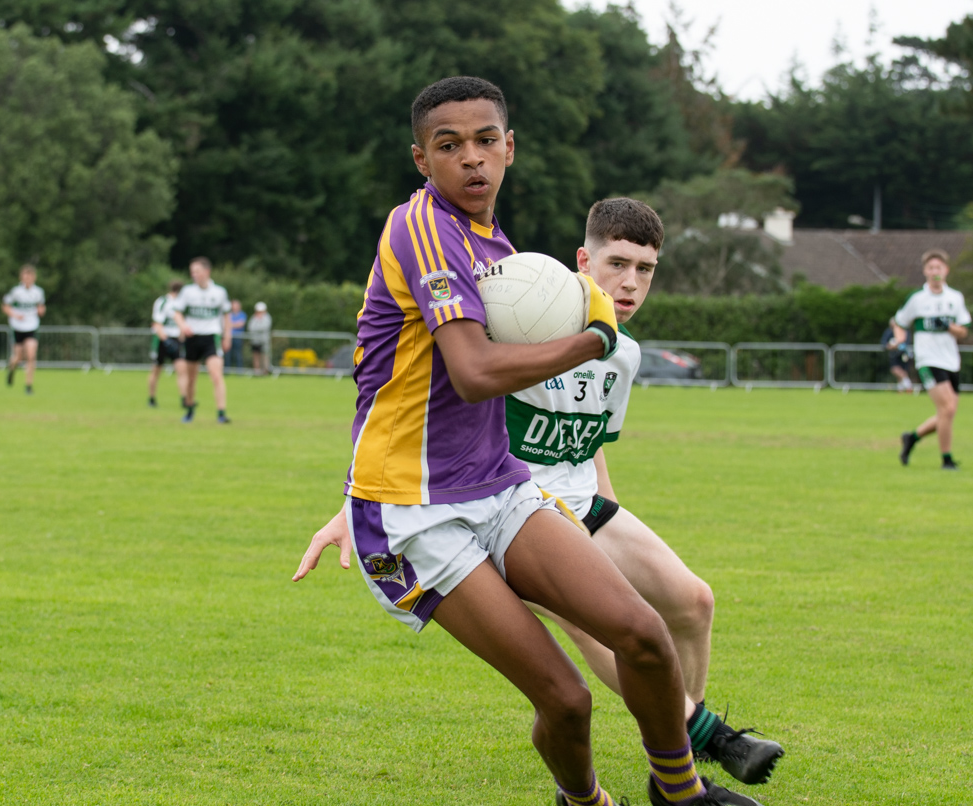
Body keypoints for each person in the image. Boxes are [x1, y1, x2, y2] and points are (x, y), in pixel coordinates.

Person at [293, 76, 760, 806]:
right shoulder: (420, 228)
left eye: (485, 141)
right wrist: (591, 337)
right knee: (568, 702)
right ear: (421, 159)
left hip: (499, 482)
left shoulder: (495, 245)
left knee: (643, 633)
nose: (470, 159)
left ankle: (679, 792)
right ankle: (585, 802)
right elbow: (475, 373)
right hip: (415, 510)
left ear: (509, 149)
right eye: (448, 146)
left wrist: (583, 320)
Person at [510, 198, 783, 788]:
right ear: (583, 260)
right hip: (514, 520)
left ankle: (670, 746)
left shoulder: (623, 352)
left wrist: (609, 518)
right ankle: (702, 738)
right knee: (603, 627)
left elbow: (588, 444)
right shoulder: (522, 326)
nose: (631, 282)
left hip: (583, 507)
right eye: (617, 263)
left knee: (693, 602)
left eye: (646, 268)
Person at [895, 249, 970, 469]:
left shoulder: (955, 297)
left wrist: (948, 326)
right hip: (927, 359)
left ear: (946, 270)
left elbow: (964, 331)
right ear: (925, 271)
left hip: (951, 361)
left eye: (939, 267)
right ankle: (946, 459)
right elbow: (899, 322)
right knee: (947, 409)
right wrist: (899, 339)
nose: (935, 271)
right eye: (931, 268)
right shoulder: (917, 299)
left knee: (948, 413)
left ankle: (912, 438)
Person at [173, 257, 233, 424]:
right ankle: (190, 409)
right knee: (192, 378)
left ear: (207, 272)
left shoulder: (219, 292)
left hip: (211, 337)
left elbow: (227, 316)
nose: (194, 275)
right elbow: (176, 313)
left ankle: (221, 413)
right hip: (192, 338)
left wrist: (227, 336)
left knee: (216, 375)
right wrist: (183, 325)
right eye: (192, 272)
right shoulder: (187, 292)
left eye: (197, 271)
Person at [2, 264, 46, 394]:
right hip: (18, 327)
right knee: (18, 357)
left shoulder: (38, 292)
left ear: (33, 277)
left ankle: (28, 386)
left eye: (30, 276)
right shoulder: (16, 292)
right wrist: (15, 315)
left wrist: (41, 311)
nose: (27, 279)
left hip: (31, 326)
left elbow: (42, 307)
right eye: (25, 277)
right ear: (21, 277)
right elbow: (5, 306)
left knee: (31, 356)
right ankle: (11, 369)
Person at [148, 280, 187, 408]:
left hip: (176, 339)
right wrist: (165, 340)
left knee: (182, 370)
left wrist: (181, 338)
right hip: (162, 339)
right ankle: (152, 398)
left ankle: (184, 400)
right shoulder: (162, 301)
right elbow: (156, 323)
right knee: (156, 370)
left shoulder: (182, 304)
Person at [880, 321, 914, 392]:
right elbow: (883, 342)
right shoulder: (889, 331)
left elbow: (906, 342)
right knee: (895, 369)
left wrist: (898, 345)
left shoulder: (904, 331)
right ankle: (907, 386)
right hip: (894, 353)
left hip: (903, 353)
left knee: (903, 370)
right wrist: (889, 346)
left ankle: (903, 388)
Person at [247, 301, 272, 375]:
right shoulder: (254, 317)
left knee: (264, 356)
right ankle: (257, 372)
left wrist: (257, 327)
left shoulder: (267, 317)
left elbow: (265, 327)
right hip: (255, 341)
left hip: (264, 341)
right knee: (256, 356)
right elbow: (250, 327)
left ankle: (265, 371)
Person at [226, 299, 247, 369]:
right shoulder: (228, 314)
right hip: (229, 336)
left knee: (238, 354)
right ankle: (227, 370)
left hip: (238, 337)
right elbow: (226, 324)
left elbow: (241, 324)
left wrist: (231, 324)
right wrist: (235, 324)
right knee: (227, 354)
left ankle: (239, 370)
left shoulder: (242, 314)